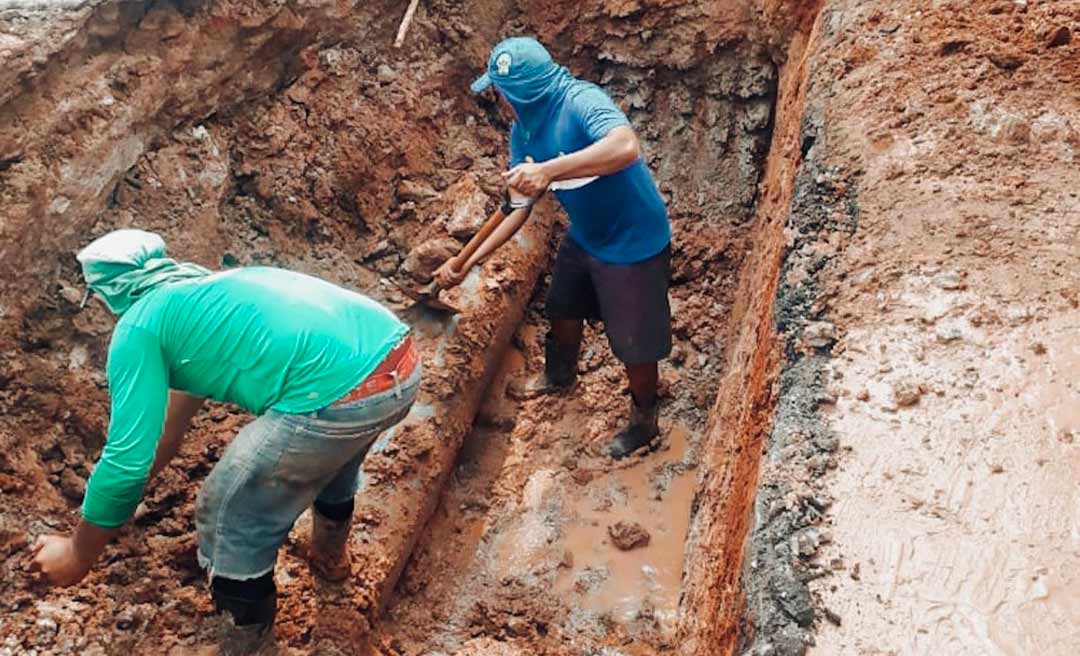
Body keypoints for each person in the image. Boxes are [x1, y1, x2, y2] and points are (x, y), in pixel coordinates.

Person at [29, 229, 420, 655]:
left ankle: (249, 644)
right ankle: (330, 558)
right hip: (397, 363)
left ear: (104, 295)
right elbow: (167, 430)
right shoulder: (200, 293)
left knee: (228, 514)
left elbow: (125, 462)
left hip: (337, 396)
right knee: (331, 464)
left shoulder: (139, 326)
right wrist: (124, 503)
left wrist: (77, 552)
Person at [434, 37, 672, 459]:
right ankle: (560, 375)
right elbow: (514, 209)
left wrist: (548, 170)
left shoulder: (580, 102)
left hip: (633, 241)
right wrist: (463, 261)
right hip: (587, 234)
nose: (497, 98)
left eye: (500, 90)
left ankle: (645, 420)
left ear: (519, 92)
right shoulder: (522, 132)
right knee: (562, 307)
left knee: (635, 346)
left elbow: (625, 146)